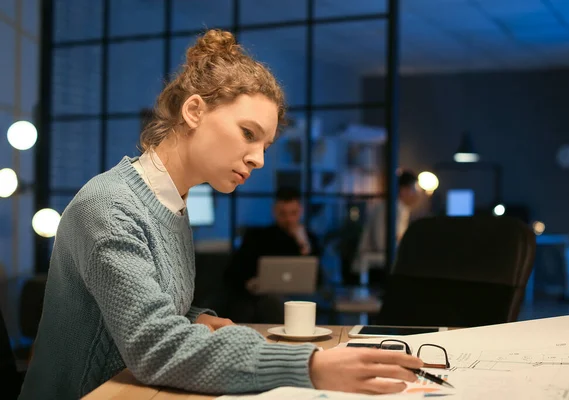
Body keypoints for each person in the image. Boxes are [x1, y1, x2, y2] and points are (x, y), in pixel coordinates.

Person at [18, 30, 423, 399]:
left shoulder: (171, 203)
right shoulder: (109, 205)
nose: (259, 159)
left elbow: (138, 307)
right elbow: (155, 347)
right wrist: (310, 366)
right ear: (194, 111)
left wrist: (198, 318)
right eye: (248, 134)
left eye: (265, 144)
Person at [225, 186, 321, 324]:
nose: (288, 219)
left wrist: (303, 243)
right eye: (283, 213)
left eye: (293, 213)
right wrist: (249, 283)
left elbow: (317, 277)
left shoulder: (309, 240)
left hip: (300, 296)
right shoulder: (258, 237)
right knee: (270, 302)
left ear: (301, 211)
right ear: (275, 212)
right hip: (264, 298)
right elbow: (234, 272)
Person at [353, 170, 420, 283]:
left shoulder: (393, 207)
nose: (415, 194)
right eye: (413, 189)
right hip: (373, 270)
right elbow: (383, 244)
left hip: (373, 267)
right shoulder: (394, 208)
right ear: (403, 190)